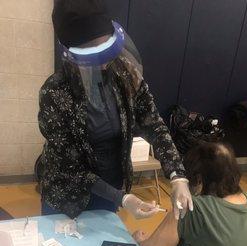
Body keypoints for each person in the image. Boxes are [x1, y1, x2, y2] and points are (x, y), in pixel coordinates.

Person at [38, 0, 193, 220]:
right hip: (67, 195)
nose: (104, 63)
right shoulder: (54, 93)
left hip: (111, 190)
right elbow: (70, 168)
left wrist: (177, 175)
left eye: (106, 50)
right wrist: (123, 198)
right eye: (93, 54)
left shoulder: (124, 72)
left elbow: (154, 125)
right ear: (73, 53)